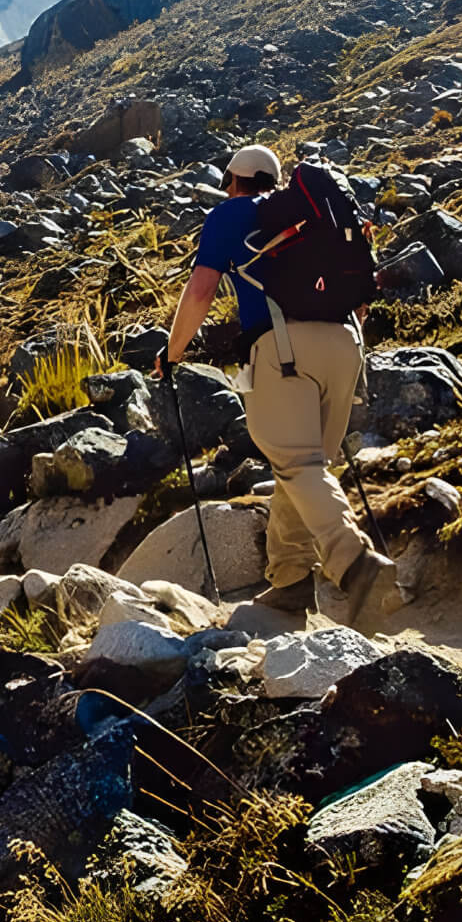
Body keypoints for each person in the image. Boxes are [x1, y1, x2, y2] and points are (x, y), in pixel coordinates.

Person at [156, 142, 398, 629]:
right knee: (306, 467)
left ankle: (355, 562)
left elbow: (201, 290)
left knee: (295, 461)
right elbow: (361, 294)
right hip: (347, 344)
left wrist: (174, 351)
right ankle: (289, 581)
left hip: (285, 348)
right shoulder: (315, 216)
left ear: (233, 180)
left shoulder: (230, 215)